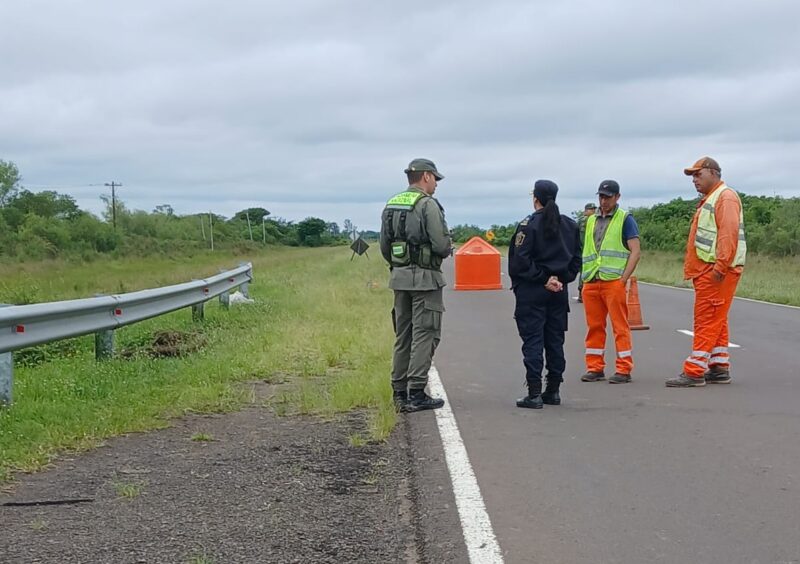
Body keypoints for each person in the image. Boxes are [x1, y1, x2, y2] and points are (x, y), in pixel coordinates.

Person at [666, 157, 746, 387]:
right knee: (717, 319)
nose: (694, 180)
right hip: (708, 270)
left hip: (716, 271)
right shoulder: (712, 198)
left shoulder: (725, 197)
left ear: (713, 172)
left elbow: (727, 234)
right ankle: (719, 366)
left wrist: (720, 266)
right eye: (693, 176)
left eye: (698, 174)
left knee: (707, 320)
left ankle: (694, 371)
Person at [380, 158, 452, 412]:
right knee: (426, 333)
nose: (436, 185)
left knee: (404, 334)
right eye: (435, 179)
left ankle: (398, 391)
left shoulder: (391, 205)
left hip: (399, 278)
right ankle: (417, 391)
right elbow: (442, 245)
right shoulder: (427, 205)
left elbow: (384, 247)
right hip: (425, 278)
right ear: (426, 177)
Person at [509, 180, 582, 408]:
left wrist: (543, 279)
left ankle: (534, 393)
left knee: (533, 340)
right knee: (555, 341)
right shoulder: (570, 226)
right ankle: (553, 390)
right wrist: (560, 280)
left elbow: (519, 262)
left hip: (533, 292)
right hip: (558, 293)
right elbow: (576, 261)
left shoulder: (528, 225)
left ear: (535, 198)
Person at [579, 180, 641, 384]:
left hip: (613, 281)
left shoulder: (625, 219)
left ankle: (624, 368)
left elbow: (635, 251)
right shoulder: (590, 220)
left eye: (608, 197)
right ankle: (595, 367)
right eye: (601, 197)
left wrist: (623, 279)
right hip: (591, 280)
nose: (603, 201)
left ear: (617, 197)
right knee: (594, 326)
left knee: (619, 326)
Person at [576, 202, 597, 303]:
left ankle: (584, 293)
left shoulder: (582, 221)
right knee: (585, 272)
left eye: (594, 209)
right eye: (591, 209)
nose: (593, 211)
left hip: (585, 250)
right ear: (586, 211)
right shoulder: (586, 221)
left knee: (585, 272)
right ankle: (582, 292)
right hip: (585, 250)